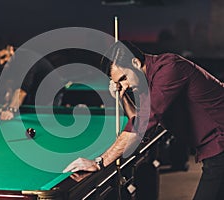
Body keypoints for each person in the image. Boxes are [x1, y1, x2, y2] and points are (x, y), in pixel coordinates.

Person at [63, 41, 224, 200]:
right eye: (119, 82)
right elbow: (137, 119)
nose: (124, 85)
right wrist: (122, 96)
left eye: (124, 78)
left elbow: (139, 126)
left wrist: (99, 162)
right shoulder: (144, 81)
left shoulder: (169, 69)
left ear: (135, 62)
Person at [0, 38, 56, 120]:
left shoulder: (24, 59)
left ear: (10, 49)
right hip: (36, 92)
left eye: (3, 57)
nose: (0, 62)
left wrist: (11, 110)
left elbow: (22, 90)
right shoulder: (9, 63)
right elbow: (10, 85)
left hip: (52, 91)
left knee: (46, 121)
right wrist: (6, 102)